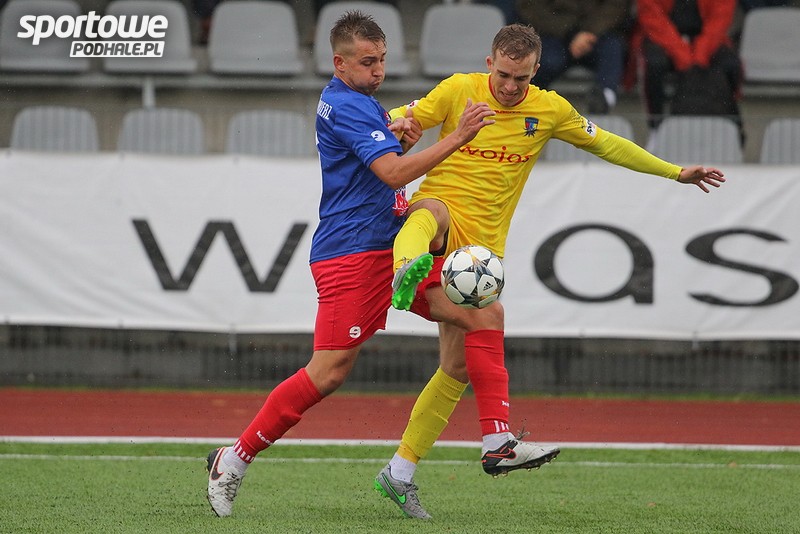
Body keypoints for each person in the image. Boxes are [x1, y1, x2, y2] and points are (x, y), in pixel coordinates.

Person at [376, 22, 726, 519]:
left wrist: (675, 172)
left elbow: (608, 143)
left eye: (520, 78)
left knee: (456, 367)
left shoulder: (550, 110)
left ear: (536, 70)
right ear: (489, 63)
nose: (509, 86)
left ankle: (400, 472)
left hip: (480, 255)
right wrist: (390, 126)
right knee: (429, 212)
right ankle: (404, 268)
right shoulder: (459, 89)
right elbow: (400, 116)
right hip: (443, 225)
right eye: (502, 75)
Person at [205, 10, 495, 518]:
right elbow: (392, 174)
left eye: (382, 60)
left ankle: (470, 447)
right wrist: (454, 138)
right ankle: (234, 459)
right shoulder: (349, 104)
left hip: (390, 246)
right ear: (339, 63)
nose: (378, 70)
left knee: (481, 314)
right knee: (329, 372)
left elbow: (376, 164)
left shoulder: (356, 100)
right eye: (367, 62)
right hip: (353, 254)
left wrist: (399, 139)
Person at [632, 0, 744, 143]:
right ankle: (655, 128)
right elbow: (652, 17)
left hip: (706, 39)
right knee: (654, 64)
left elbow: (720, 19)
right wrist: (683, 55)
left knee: (731, 65)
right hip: (661, 37)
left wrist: (698, 56)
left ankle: (730, 126)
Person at [515, 0, 631, 114]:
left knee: (612, 49)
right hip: (553, 35)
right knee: (544, 60)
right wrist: (570, 33)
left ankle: (604, 97)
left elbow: (616, 5)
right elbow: (531, 7)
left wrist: (589, 31)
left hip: (596, 35)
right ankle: (528, 98)